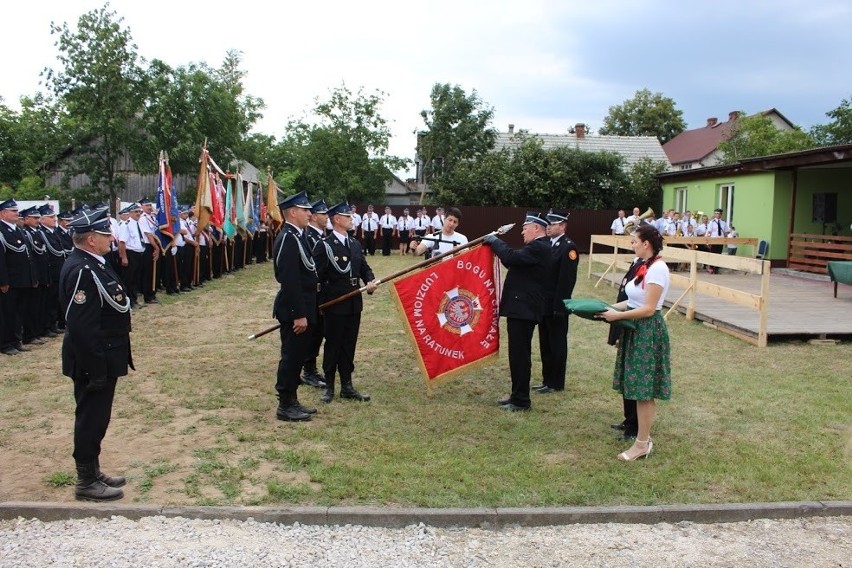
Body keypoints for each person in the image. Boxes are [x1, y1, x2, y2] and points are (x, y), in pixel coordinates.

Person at [59, 207, 133, 501]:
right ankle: (86, 481)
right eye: (105, 234)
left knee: (98, 417)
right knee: (91, 418)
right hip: (94, 359)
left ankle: (94, 470)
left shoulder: (94, 263)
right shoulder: (82, 270)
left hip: (104, 355)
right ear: (91, 239)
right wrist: (95, 369)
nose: (110, 238)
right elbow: (81, 327)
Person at [599, 224, 671, 461]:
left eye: (634, 242)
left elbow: (649, 309)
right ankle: (642, 440)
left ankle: (642, 444)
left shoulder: (658, 269)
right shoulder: (644, 265)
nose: (632, 245)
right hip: (635, 328)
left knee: (643, 390)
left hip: (647, 331)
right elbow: (632, 301)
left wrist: (617, 317)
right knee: (638, 389)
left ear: (646, 244)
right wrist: (604, 308)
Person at [483, 212, 551, 411]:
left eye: (524, 227)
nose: (522, 232)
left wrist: (495, 241)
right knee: (517, 354)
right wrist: (497, 248)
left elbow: (512, 257)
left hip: (524, 309)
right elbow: (513, 261)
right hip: (521, 308)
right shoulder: (536, 247)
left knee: (520, 355)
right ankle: (516, 395)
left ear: (536, 228)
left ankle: (521, 400)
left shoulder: (540, 246)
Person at [313, 202, 378, 404]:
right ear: (337, 220)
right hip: (335, 302)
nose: (351, 219)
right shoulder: (324, 245)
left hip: (353, 302)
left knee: (349, 344)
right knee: (333, 344)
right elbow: (317, 278)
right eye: (347, 217)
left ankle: (347, 386)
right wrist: (321, 303)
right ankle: (330, 386)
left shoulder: (355, 244)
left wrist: (369, 280)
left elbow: (364, 268)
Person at [271, 191, 318, 422]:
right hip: (294, 309)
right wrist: (299, 314)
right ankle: (285, 404)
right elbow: (289, 279)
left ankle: (293, 398)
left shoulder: (299, 235)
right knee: (291, 356)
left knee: (298, 355)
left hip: (305, 306)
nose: (309, 213)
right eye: (305, 210)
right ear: (292, 212)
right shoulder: (288, 237)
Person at [535, 210, 579, 394]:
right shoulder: (548, 244)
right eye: (548, 224)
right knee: (545, 343)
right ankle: (547, 380)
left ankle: (556, 382)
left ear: (562, 226)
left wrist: (560, 307)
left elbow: (566, 280)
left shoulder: (568, 247)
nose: (549, 227)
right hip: (544, 303)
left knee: (557, 344)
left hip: (556, 305)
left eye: (552, 224)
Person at [607, 256, 644, 441]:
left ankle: (634, 426)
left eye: (636, 239)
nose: (631, 242)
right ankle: (629, 419)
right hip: (623, 316)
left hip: (633, 321)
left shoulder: (649, 266)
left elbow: (644, 304)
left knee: (634, 377)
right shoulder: (637, 262)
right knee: (626, 375)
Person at [0, 199, 38, 356]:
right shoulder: (2, 231)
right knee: (7, 313)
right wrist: (3, 281)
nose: (17, 214)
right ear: (3, 213)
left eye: (17, 211)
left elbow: (29, 256)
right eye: (13, 211)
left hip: (23, 279)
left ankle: (16, 340)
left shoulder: (18, 230)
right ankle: (5, 343)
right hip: (10, 281)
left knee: (19, 312)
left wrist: (32, 277)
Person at [301, 199, 329, 390]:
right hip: (313, 292)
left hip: (324, 291)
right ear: (314, 216)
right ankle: (308, 369)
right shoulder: (308, 236)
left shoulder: (321, 237)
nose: (327, 217)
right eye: (324, 214)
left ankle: (311, 367)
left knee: (319, 331)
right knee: (313, 331)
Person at [116, 203, 145, 309]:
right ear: (130, 213)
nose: (138, 214)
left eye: (140, 212)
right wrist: (123, 257)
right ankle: (129, 302)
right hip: (130, 254)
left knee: (136, 278)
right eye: (136, 212)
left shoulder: (138, 224)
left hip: (139, 254)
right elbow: (122, 243)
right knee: (129, 279)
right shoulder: (126, 225)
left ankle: (134, 299)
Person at [706, 208, 729, 273]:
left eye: (719, 213)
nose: (718, 215)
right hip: (713, 240)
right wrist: (708, 242)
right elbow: (709, 232)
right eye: (716, 213)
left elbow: (726, 232)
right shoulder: (712, 222)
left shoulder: (723, 223)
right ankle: (711, 268)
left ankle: (716, 268)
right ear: (714, 214)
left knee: (719, 254)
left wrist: (726, 240)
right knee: (713, 254)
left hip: (721, 240)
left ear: (721, 214)